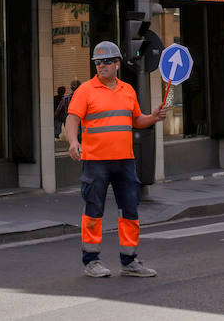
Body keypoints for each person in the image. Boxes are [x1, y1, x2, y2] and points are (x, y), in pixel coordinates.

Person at [64, 41, 167, 279]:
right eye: (97, 62)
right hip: (96, 162)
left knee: (130, 210)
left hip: (125, 162)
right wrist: (73, 142)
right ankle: (91, 261)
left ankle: (129, 261)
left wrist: (153, 117)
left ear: (117, 64)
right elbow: (72, 119)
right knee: (93, 210)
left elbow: (137, 120)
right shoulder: (85, 90)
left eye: (106, 61)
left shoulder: (128, 90)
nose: (101, 66)